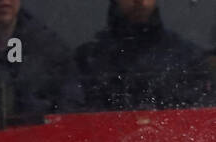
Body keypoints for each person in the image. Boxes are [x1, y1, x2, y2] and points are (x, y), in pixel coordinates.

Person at [76, 0, 213, 112]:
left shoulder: (189, 57)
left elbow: (204, 118)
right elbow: (75, 116)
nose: (140, 2)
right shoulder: (87, 59)